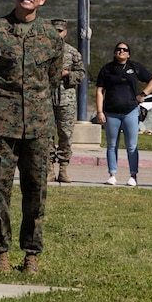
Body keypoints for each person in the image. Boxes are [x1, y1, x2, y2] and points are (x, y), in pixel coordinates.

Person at [0, 0, 63, 274]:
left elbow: (52, 79)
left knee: (36, 190)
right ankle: (2, 252)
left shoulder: (51, 37)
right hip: (0, 123)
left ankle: (31, 254)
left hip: (38, 125)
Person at [95, 42, 152, 187]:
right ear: (114, 52)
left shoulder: (134, 67)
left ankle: (133, 176)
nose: (121, 52)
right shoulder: (107, 69)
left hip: (130, 111)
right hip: (111, 112)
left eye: (125, 50)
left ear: (128, 54)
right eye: (118, 49)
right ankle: (112, 175)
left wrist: (143, 94)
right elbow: (99, 91)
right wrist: (100, 111)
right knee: (112, 145)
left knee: (131, 145)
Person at [48, 20, 85, 184]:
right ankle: (49, 169)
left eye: (60, 31)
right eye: (54, 31)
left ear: (65, 32)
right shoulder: (43, 51)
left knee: (66, 135)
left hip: (66, 99)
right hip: (46, 99)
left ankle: (63, 169)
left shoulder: (72, 52)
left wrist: (67, 74)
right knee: (47, 135)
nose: (57, 34)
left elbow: (81, 74)